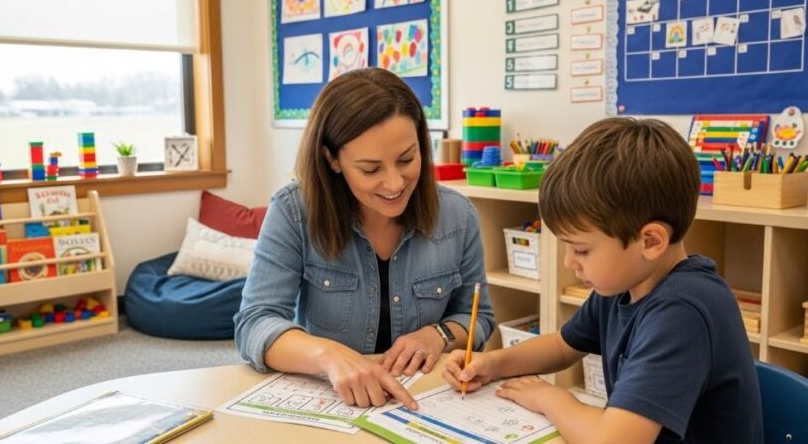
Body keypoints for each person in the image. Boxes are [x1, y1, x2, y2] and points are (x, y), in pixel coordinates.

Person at [443, 118, 763, 443]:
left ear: (650, 241)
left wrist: (550, 397)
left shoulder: (682, 311)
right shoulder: (628, 281)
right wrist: (493, 363)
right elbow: (562, 346)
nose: (569, 262)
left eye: (581, 250)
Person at [235, 68, 495, 410]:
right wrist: (329, 356)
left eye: (407, 159)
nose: (395, 184)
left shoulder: (458, 215)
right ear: (332, 159)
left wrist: (439, 335)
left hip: (427, 398)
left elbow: (477, 317)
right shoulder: (293, 211)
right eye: (371, 169)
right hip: (333, 399)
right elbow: (255, 322)